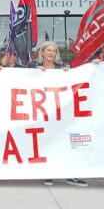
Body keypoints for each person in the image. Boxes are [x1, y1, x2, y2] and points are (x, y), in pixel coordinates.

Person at [31, 41, 87, 188]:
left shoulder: (62, 69)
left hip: (61, 112)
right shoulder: (32, 68)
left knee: (63, 142)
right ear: (42, 52)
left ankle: (70, 174)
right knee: (47, 142)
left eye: (53, 51)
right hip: (42, 113)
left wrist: (70, 74)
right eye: (48, 50)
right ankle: (49, 172)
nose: (51, 53)